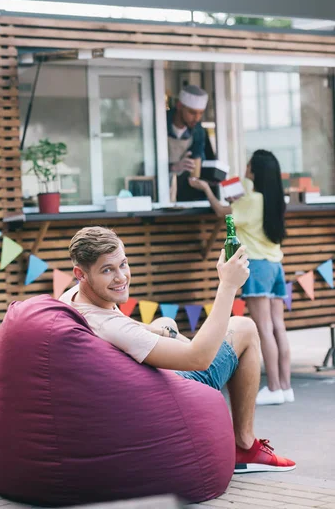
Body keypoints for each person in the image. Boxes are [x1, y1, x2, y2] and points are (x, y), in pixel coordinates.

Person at [60, 226, 295, 473]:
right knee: (244, 327)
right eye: (107, 270)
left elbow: (128, 328)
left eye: (123, 264)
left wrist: (164, 332)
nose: (121, 277)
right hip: (168, 394)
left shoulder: (74, 297)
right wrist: (227, 286)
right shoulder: (111, 325)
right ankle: (245, 446)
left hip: (136, 384)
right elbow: (199, 359)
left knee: (165, 322)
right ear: (81, 274)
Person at [189, 149, 292, 406]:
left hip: (257, 266)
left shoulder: (251, 199)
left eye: (249, 164)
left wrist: (206, 190)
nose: (245, 167)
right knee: (278, 327)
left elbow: (222, 212)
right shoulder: (274, 198)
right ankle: (285, 386)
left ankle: (274, 387)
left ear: (254, 170)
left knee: (264, 328)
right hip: (276, 265)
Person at [167, 84, 214, 202]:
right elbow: (225, 213)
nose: (197, 118)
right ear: (179, 106)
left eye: (200, 113)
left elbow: (224, 213)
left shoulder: (229, 213)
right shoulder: (231, 213)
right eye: (192, 112)